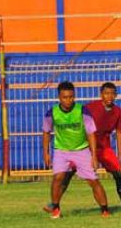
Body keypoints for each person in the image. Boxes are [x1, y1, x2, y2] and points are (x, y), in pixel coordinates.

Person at [42, 81, 110, 218]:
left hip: (81, 150)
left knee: (93, 181)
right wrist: (46, 153)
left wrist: (94, 157)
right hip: (61, 150)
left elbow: (91, 133)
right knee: (58, 178)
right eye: (65, 97)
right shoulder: (52, 113)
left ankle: (104, 210)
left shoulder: (82, 111)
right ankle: (55, 208)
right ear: (59, 98)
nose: (68, 100)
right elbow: (46, 132)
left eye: (71, 97)